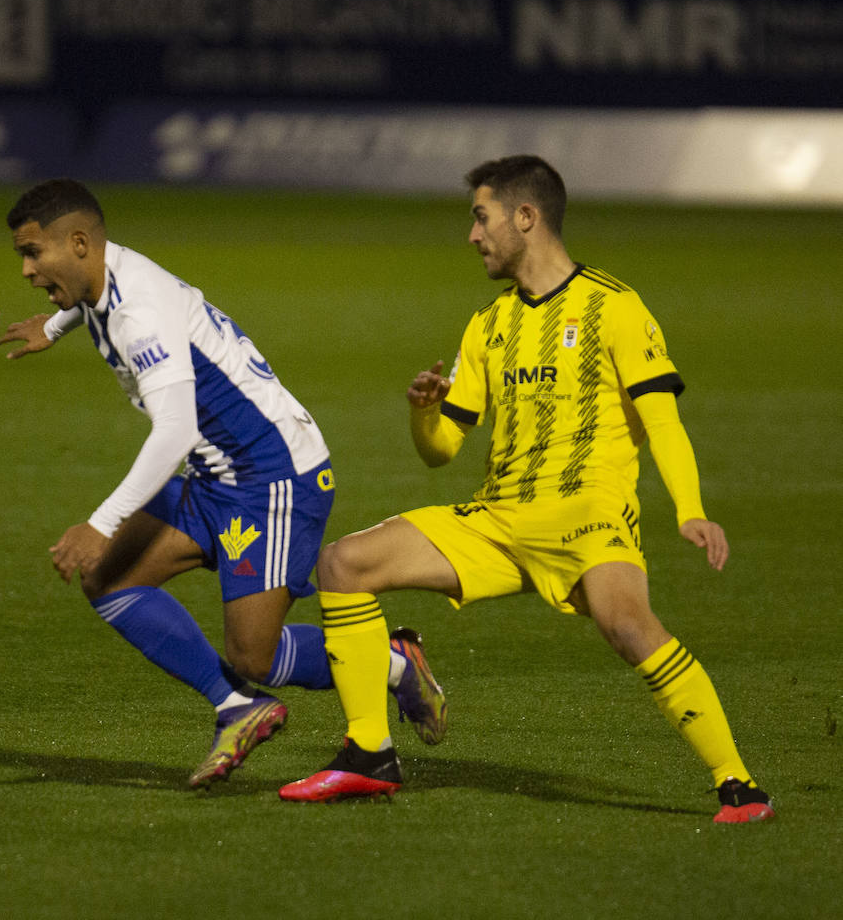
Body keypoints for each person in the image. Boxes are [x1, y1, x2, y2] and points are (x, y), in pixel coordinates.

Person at [279, 155, 774, 823]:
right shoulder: (488, 325)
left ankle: (737, 784)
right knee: (343, 563)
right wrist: (424, 410)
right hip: (498, 518)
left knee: (628, 625)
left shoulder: (614, 306)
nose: (473, 235)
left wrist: (691, 510)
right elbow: (441, 451)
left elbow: (663, 420)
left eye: (481, 218)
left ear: (526, 217)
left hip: (588, 514)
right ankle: (370, 753)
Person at [0, 178, 447, 789]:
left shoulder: (141, 313)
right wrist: (50, 329)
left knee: (252, 655)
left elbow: (176, 428)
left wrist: (101, 523)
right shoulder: (107, 273)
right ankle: (238, 707)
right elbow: (90, 302)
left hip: (273, 477)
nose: (25, 269)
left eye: (32, 253)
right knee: (109, 579)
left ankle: (392, 663)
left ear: (78, 243)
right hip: (217, 474)